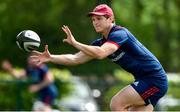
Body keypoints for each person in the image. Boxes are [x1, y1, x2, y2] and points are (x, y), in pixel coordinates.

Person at [30, 4, 168, 111]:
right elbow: (75, 59)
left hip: (154, 79)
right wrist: (51, 57)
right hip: (146, 80)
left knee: (116, 103)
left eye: (99, 18)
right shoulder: (100, 43)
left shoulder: (120, 34)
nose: (95, 22)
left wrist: (75, 43)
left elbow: (101, 53)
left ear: (111, 19)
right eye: (93, 19)